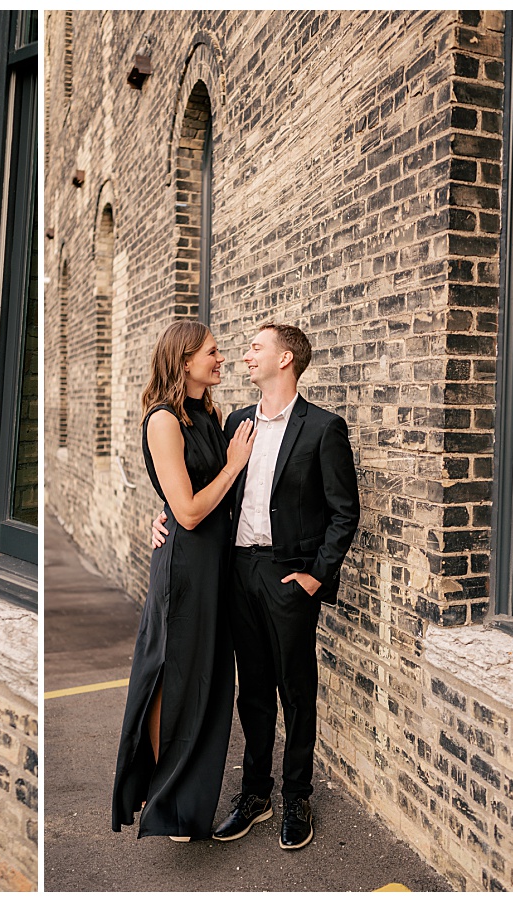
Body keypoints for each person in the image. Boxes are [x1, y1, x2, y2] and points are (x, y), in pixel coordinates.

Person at [153, 322, 359, 850]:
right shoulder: (236, 422)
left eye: (255, 348)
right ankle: (255, 795)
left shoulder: (323, 428)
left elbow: (344, 513)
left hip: (288, 577)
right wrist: (163, 516)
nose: (244, 357)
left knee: (296, 690)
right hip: (237, 572)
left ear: (285, 359)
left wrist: (315, 576)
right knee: (254, 692)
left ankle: (297, 797)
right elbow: (200, 486)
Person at [111, 321, 255, 841]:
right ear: (185, 359)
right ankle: (162, 795)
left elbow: (185, 496)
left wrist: (167, 509)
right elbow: (190, 512)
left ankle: (183, 799)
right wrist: (235, 463)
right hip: (186, 568)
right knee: (173, 680)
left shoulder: (208, 413)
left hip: (214, 563)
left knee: (207, 682)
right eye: (213, 352)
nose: (222, 358)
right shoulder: (162, 421)